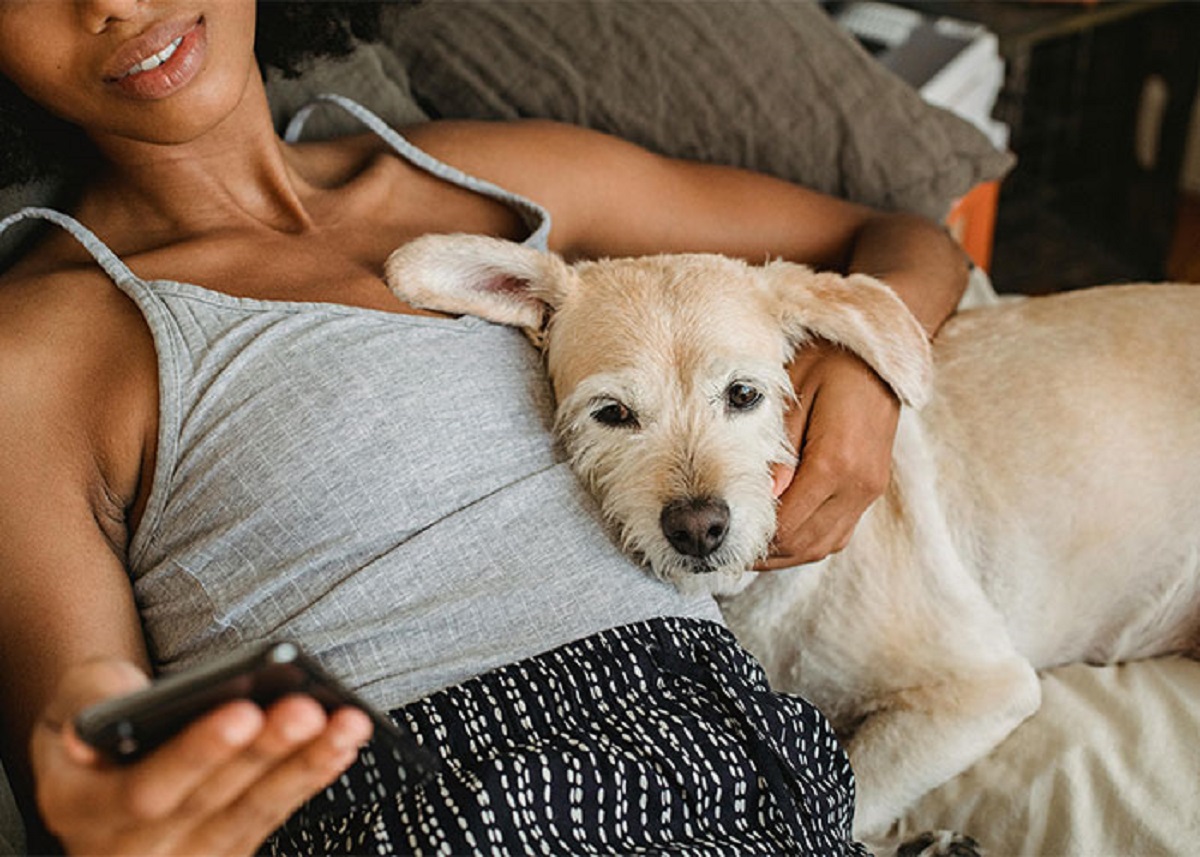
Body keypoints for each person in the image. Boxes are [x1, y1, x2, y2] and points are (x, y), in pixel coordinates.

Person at [0, 1, 969, 854]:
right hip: (441, 800)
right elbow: (92, 788)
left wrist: (863, 381)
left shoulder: (493, 181)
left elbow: (901, 239)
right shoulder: (38, 352)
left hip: (746, 762)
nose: (114, 3)